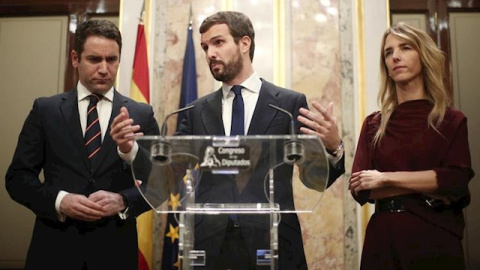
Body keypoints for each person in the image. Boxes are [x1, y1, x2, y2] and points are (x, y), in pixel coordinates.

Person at [111, 11, 345, 269]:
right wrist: (129, 157)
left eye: (218, 43)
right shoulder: (195, 111)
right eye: (205, 47)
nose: (210, 53)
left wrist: (333, 148)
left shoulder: (288, 105)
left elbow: (312, 179)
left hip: (273, 242)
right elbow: (168, 174)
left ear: (244, 43)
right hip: (210, 246)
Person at [5, 20, 159, 270]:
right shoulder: (46, 110)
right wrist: (59, 201)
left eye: (112, 59)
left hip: (115, 253)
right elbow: (17, 178)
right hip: (54, 249)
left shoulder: (141, 114)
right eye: (94, 59)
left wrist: (123, 200)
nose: (104, 68)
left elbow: (160, 184)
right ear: (76, 58)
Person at [349, 22, 475, 270]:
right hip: (383, 240)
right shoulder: (374, 123)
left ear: (423, 55)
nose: (395, 56)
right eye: (388, 52)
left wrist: (384, 179)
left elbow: (456, 181)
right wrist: (429, 183)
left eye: (405, 48)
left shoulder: (451, 120)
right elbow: (360, 188)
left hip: (435, 236)